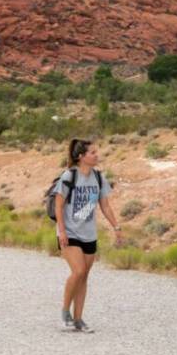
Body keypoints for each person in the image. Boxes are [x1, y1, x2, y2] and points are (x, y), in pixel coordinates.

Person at [54, 138, 122, 333]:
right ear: (81, 157)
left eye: (96, 152)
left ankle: (78, 319)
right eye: (92, 152)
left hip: (89, 233)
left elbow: (105, 205)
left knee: (84, 276)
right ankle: (65, 311)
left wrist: (116, 227)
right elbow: (58, 204)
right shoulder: (69, 176)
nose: (96, 155)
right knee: (78, 271)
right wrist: (62, 231)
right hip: (70, 231)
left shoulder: (99, 178)